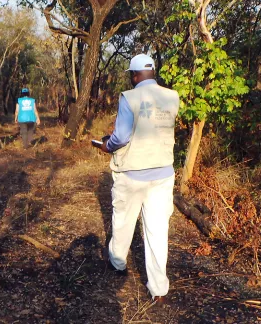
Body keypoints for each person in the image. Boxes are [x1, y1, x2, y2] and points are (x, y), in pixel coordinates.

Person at [95, 54, 179, 305]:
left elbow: (121, 137)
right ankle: (159, 288)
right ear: (153, 72)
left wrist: (106, 145)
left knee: (123, 221)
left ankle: (118, 264)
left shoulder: (129, 97)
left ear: (134, 75)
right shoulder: (171, 96)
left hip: (132, 173)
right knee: (157, 231)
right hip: (163, 173)